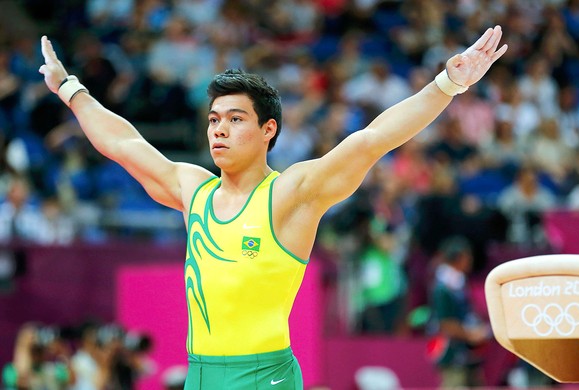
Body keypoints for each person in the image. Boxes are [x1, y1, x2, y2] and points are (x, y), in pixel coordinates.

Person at [39, 26, 507, 389]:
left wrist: (448, 83)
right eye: (214, 120)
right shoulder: (192, 190)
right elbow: (123, 142)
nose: (219, 130)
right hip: (200, 374)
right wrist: (68, 87)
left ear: (268, 130)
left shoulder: (290, 194)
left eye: (236, 119)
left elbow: (372, 140)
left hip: (266, 377)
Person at [426, 236, 491, 388]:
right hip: (451, 353)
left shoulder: (459, 283)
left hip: (467, 353)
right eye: (468, 256)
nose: (471, 260)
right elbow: (445, 324)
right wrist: (471, 335)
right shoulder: (442, 289)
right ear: (459, 258)